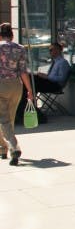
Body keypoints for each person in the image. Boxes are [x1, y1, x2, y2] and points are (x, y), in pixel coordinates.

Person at [0, 23, 34, 166]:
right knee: (9, 118)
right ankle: (3, 149)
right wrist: (29, 90)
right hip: (16, 85)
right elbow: (23, 71)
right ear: (12, 35)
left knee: (3, 119)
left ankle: (14, 147)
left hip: (1, 84)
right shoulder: (20, 48)